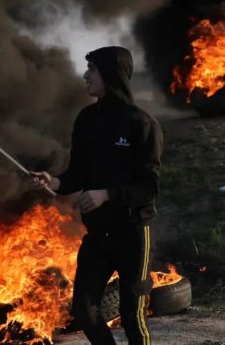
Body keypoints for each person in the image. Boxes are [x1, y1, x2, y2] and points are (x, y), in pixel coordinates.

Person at [33, 46, 163, 345]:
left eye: (92, 69)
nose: (85, 75)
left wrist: (107, 195)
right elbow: (78, 173)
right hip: (98, 235)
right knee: (84, 310)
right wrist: (54, 182)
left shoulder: (142, 124)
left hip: (133, 233)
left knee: (133, 315)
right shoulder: (87, 119)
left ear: (111, 74)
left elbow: (149, 187)